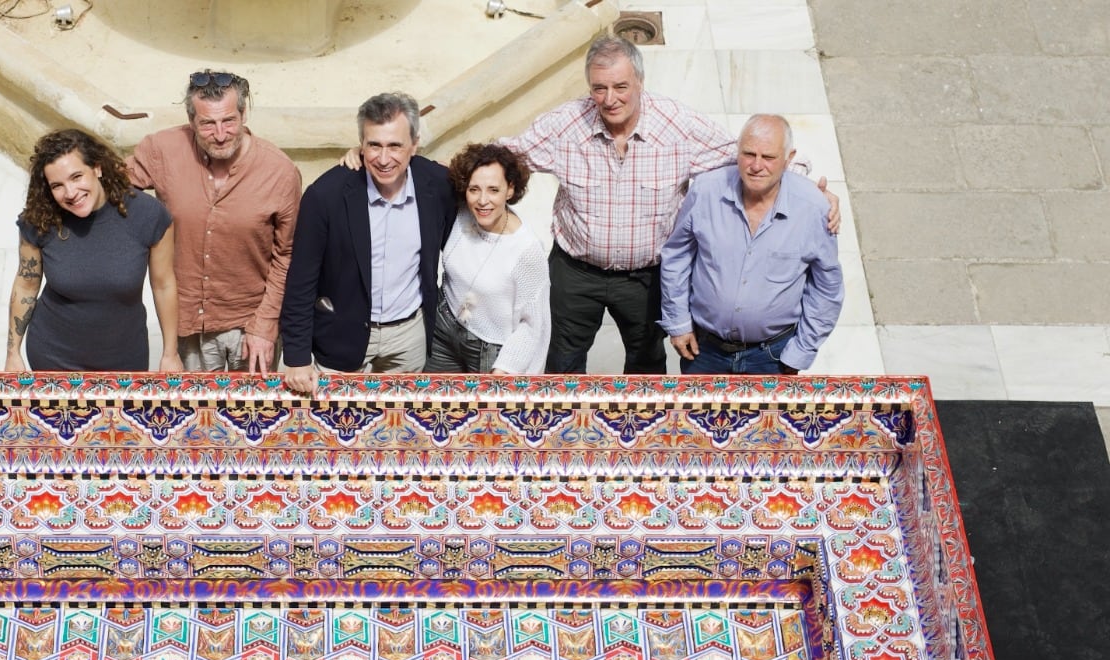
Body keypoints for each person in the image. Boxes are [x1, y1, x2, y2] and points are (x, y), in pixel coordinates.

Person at [500, 34, 838, 375]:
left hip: (645, 277)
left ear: (640, 82)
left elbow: (746, 155)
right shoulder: (565, 125)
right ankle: (571, 427)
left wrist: (808, 191)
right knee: (562, 358)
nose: (610, 99)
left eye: (621, 86)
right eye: (599, 88)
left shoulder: (677, 125)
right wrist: (454, 176)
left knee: (647, 361)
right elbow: (506, 155)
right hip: (575, 273)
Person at [126, 70, 302, 373]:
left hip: (251, 326)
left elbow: (286, 255)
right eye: (207, 124)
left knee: (252, 419)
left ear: (244, 114)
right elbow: (106, 190)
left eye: (229, 121)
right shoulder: (161, 150)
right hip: (186, 326)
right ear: (191, 120)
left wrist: (266, 324)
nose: (220, 134)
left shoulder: (280, 171)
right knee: (191, 418)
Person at [280, 93, 456, 396]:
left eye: (395, 145)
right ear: (361, 145)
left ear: (414, 144)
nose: (384, 158)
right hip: (340, 334)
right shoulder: (325, 195)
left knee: (404, 430)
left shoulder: (439, 184)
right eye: (374, 145)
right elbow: (300, 281)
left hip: (409, 335)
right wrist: (296, 357)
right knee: (335, 431)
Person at [659, 115, 843, 375]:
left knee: (768, 419)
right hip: (704, 350)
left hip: (774, 356)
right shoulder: (705, 192)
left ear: (789, 158)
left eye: (768, 157)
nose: (757, 165)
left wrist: (802, 350)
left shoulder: (814, 208)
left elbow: (826, 288)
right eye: (748, 154)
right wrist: (677, 323)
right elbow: (676, 257)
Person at [5, 129, 180, 373]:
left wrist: (170, 353)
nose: (70, 193)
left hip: (124, 359)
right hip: (52, 357)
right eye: (57, 185)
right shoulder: (40, 220)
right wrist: (13, 353)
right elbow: (26, 285)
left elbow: (164, 285)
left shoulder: (147, 215)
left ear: (97, 168)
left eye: (76, 177)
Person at [429, 143, 550, 374]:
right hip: (443, 331)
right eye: (474, 189)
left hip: (489, 350)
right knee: (434, 407)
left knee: (482, 411)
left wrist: (505, 370)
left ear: (511, 189)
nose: (482, 200)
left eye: (493, 190)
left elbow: (532, 326)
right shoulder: (463, 212)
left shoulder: (526, 251)